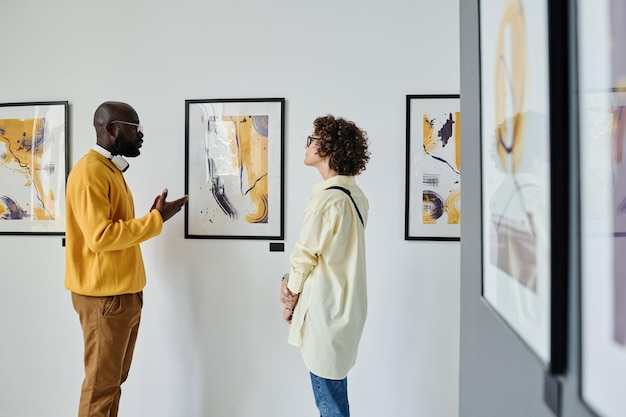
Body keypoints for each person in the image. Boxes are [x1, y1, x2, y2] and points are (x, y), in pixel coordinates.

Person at [64, 101, 188, 417]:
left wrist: (154, 217)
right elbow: (101, 236)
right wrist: (155, 220)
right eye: (135, 127)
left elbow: (114, 230)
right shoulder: (91, 172)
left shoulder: (107, 170)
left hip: (120, 295)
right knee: (101, 387)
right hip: (104, 297)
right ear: (112, 129)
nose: (140, 134)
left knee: (111, 384)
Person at [280, 115, 370, 417]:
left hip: (326, 312)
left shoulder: (327, 200)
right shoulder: (355, 196)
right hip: (345, 310)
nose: (307, 145)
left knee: (330, 405)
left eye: (313, 140)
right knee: (334, 395)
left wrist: (289, 294)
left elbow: (305, 256)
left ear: (328, 148)